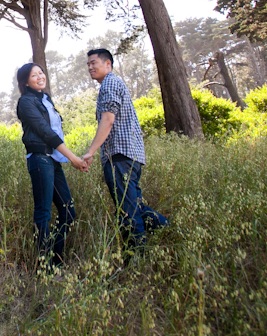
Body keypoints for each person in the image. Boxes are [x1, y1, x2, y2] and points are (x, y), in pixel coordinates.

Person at [82, 48, 168, 253]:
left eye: (94, 63)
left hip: (120, 157)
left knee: (127, 211)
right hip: (131, 156)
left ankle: (136, 258)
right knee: (134, 206)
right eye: (88, 65)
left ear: (108, 64)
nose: (90, 67)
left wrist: (91, 151)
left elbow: (108, 120)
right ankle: (168, 230)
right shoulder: (113, 83)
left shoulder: (110, 83)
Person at [16, 62, 88, 269]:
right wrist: (73, 158)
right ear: (26, 82)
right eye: (33, 75)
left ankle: (55, 260)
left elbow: (55, 130)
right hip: (40, 160)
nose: (40, 77)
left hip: (53, 160)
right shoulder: (26, 102)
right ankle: (43, 267)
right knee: (43, 213)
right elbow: (46, 132)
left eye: (41, 73)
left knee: (68, 212)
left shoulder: (46, 99)